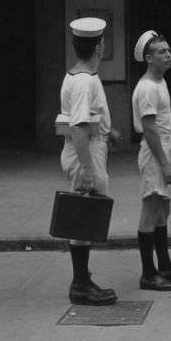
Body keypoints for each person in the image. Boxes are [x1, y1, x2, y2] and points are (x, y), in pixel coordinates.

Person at [58, 17, 120, 306]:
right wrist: (86, 169)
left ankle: (82, 280)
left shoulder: (78, 76)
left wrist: (109, 130)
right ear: (98, 47)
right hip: (85, 152)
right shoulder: (84, 82)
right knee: (83, 218)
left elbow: (86, 120)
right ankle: (81, 285)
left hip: (88, 147)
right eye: (102, 42)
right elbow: (79, 127)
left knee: (85, 217)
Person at [132, 30, 171, 291]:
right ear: (149, 58)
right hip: (154, 153)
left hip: (164, 146)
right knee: (151, 209)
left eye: (168, 50)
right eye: (161, 51)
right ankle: (148, 274)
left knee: (162, 210)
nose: (168, 54)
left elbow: (161, 123)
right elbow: (149, 129)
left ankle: (165, 266)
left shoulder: (160, 82)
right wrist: (165, 163)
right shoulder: (147, 87)